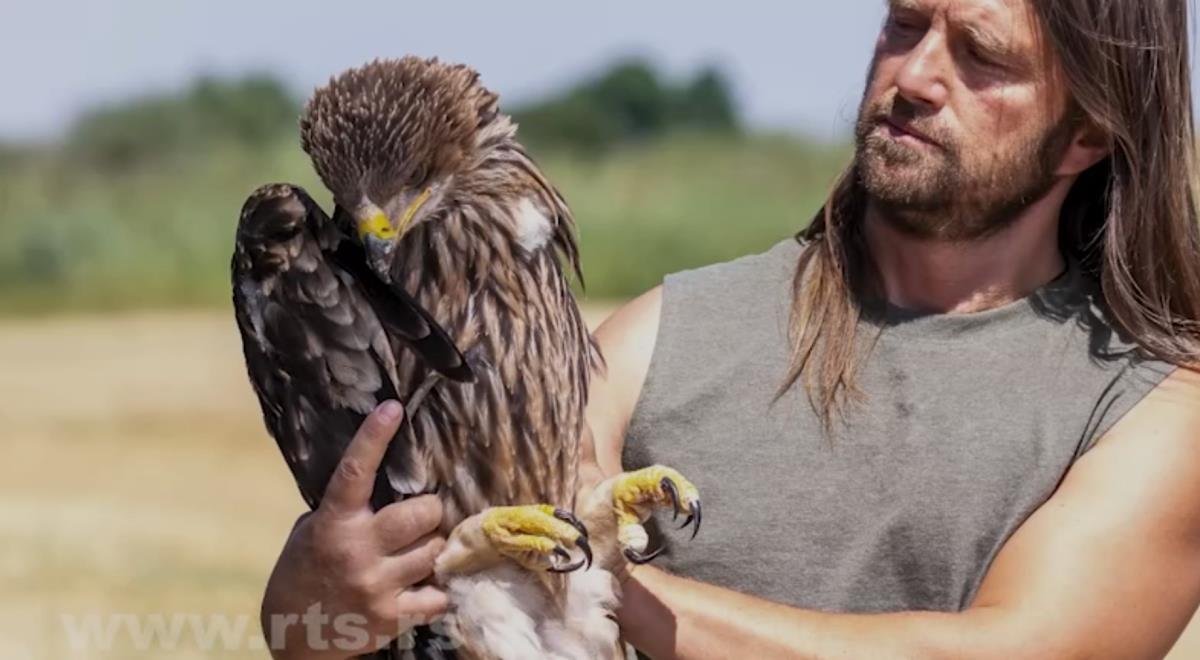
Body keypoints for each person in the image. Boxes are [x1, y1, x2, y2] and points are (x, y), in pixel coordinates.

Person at [260, 0, 1200, 657]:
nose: (913, 75)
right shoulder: (672, 333)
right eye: (903, 25)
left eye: (980, 56)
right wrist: (313, 602)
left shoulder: (1150, 403)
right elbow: (417, 591)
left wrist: (603, 589)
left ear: (1087, 132)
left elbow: (1022, 654)